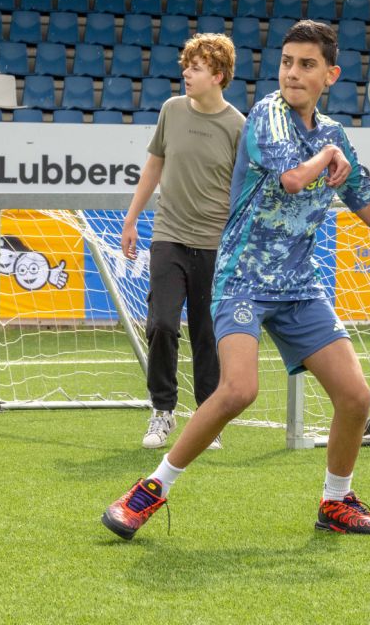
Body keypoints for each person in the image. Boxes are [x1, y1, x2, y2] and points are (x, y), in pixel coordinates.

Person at [102, 20, 370, 539]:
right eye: (287, 62)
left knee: (356, 398)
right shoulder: (267, 114)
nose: (292, 73)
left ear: (330, 75)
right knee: (238, 389)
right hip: (240, 277)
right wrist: (329, 158)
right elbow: (291, 178)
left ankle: (336, 502)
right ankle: (149, 490)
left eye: (307, 65)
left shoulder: (332, 134)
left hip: (300, 288)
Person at [120, 32, 246, 450]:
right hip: (168, 236)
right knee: (160, 324)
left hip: (215, 245)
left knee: (207, 335)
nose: (186, 73)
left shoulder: (237, 126)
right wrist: (132, 219)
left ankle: (207, 419)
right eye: (186, 65)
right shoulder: (171, 110)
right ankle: (162, 411)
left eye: (196, 68)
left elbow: (242, 190)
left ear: (219, 75)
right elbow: (153, 166)